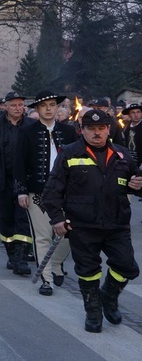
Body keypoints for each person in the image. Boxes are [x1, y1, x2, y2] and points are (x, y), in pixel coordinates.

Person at [42, 110, 142, 333]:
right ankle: (93, 311)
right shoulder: (69, 153)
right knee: (88, 270)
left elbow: (134, 182)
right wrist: (57, 219)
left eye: (101, 129)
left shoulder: (122, 154)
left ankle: (109, 295)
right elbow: (51, 191)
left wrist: (138, 185)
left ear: (109, 129)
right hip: (82, 225)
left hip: (117, 224)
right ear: (82, 130)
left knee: (127, 267)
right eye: (92, 129)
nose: (97, 133)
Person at [14, 90, 77, 296]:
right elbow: (19, 165)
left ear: (58, 107)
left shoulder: (69, 132)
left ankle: (57, 263)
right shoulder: (26, 132)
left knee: (69, 233)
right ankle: (46, 279)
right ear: (37, 109)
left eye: (52, 105)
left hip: (66, 192)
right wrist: (21, 191)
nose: (48, 109)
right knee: (41, 237)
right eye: (44, 105)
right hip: (37, 192)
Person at [0, 91, 35, 275]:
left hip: (25, 183)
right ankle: (12, 255)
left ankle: (21, 258)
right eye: (13, 105)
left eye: (21, 105)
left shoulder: (32, 126)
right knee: (5, 220)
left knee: (23, 220)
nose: (18, 108)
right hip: (2, 182)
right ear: (5, 106)